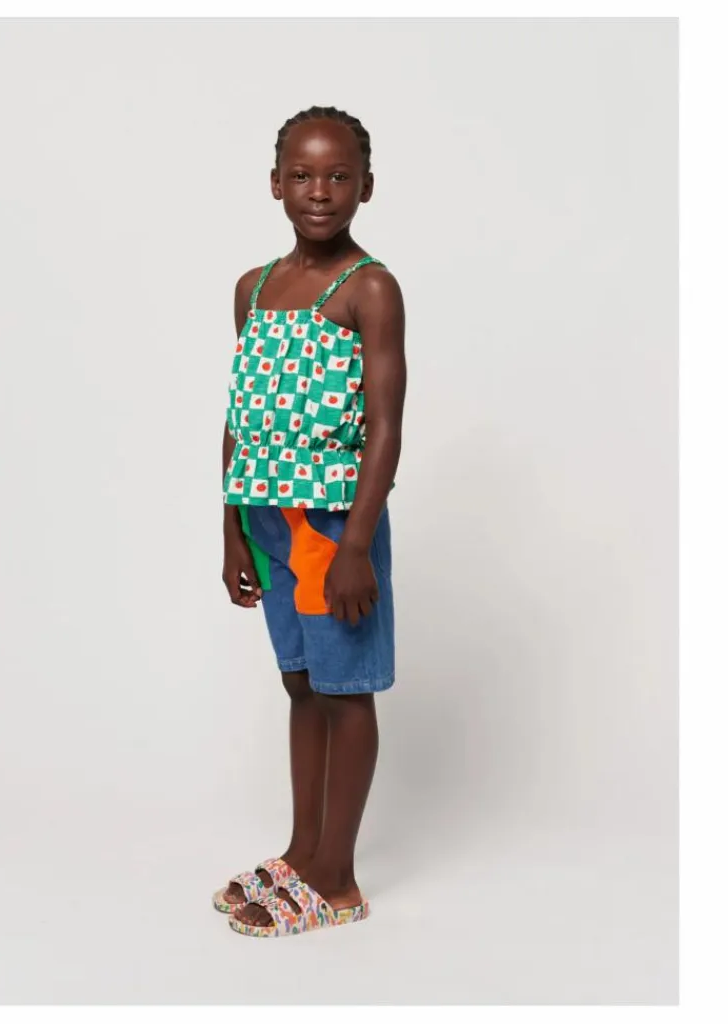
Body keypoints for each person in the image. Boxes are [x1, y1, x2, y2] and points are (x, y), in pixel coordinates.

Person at [216, 106, 407, 939]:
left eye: (337, 176)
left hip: (332, 527)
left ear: (366, 186)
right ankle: (304, 851)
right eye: (301, 175)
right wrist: (231, 524)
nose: (319, 191)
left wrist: (357, 543)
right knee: (301, 683)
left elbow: (387, 427)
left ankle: (338, 877)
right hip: (267, 516)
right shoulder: (253, 288)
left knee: (344, 690)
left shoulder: (369, 288)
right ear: (274, 184)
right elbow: (241, 412)